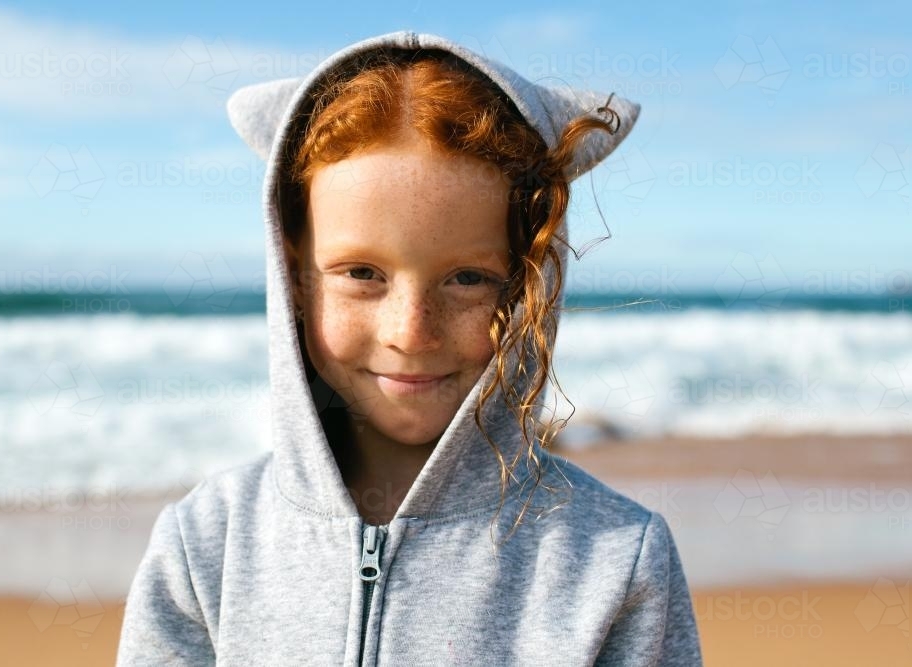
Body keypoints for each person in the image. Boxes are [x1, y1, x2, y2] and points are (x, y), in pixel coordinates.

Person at [117, 30, 702, 666]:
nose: (410, 330)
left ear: (530, 281)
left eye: (467, 278)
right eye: (361, 274)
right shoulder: (208, 546)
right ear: (293, 276)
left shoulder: (614, 560)